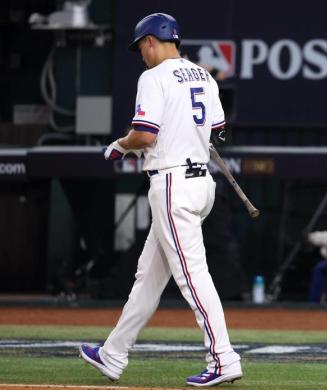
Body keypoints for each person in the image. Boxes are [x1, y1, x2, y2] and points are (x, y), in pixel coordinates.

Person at [78, 13, 242, 387]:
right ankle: (112, 354)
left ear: (151, 41)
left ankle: (223, 358)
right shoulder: (204, 75)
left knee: (192, 275)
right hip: (200, 185)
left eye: (141, 47)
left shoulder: (153, 77)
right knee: (148, 278)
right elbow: (217, 130)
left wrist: (119, 146)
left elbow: (145, 135)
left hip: (173, 185)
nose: (141, 54)